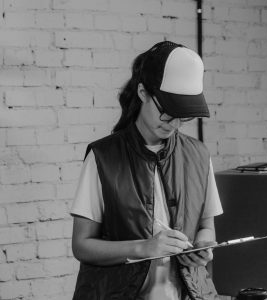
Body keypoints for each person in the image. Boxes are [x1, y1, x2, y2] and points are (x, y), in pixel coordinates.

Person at [70, 41, 223, 300]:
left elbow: (206, 226)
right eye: (167, 113)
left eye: (183, 117)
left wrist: (204, 246)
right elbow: (82, 246)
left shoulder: (198, 155)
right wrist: (144, 247)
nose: (174, 124)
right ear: (142, 92)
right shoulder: (103, 157)